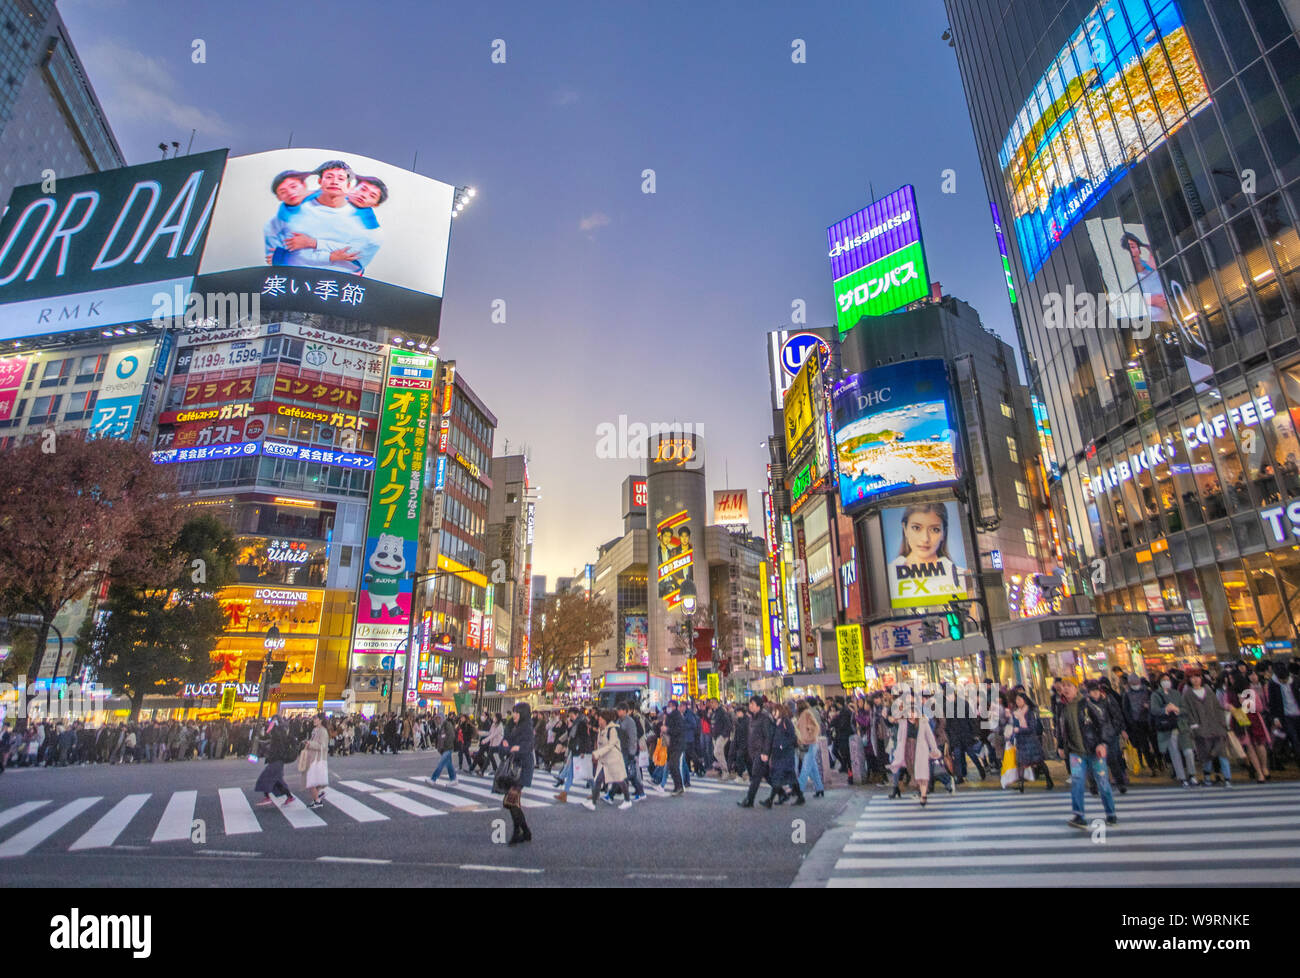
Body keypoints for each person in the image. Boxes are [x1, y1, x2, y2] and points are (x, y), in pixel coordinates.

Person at [1056, 680, 1117, 829]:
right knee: (1077, 782)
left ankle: (1111, 813)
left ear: (1076, 688)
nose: (1066, 689)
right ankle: (1078, 815)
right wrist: (1060, 745)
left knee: (1102, 782)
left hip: (1094, 750)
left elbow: (1103, 724)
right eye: (1063, 687)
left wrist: (1103, 743)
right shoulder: (1062, 707)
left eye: (1068, 685)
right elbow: (1060, 728)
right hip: (1076, 752)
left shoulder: (1087, 704)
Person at [1184, 669, 1232, 786]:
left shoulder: (1208, 691)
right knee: (1205, 754)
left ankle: (1227, 778)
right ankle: (1207, 777)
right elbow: (1187, 711)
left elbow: (1216, 707)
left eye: (1197, 676)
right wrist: (1194, 725)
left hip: (1216, 726)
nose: (1195, 679)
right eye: (1192, 677)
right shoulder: (1188, 694)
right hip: (1200, 728)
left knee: (1221, 752)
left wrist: (1222, 723)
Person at [889, 701, 941, 805]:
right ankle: (918, 788)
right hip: (908, 750)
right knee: (913, 771)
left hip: (921, 750)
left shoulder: (923, 722)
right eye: (910, 712)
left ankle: (923, 795)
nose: (912, 715)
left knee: (923, 773)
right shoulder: (903, 723)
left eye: (914, 712)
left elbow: (930, 737)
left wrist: (934, 749)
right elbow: (899, 738)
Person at [1151, 671, 1196, 786]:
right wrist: (1165, 709)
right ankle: (1182, 777)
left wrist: (1177, 709)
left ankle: (1192, 774)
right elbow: (1154, 710)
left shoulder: (1176, 693)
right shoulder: (1156, 695)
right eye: (1164, 680)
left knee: (1188, 751)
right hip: (1168, 727)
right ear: (1160, 683)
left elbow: (1185, 709)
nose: (1166, 682)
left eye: (1168, 680)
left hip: (1181, 726)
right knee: (1175, 754)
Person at [500, 703, 535, 844]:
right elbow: (505, 745)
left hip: (522, 768)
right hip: (514, 767)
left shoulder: (526, 728)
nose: (514, 715)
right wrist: (508, 747)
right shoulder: (511, 726)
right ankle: (524, 831)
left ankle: (520, 832)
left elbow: (526, 747)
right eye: (513, 712)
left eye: (516, 712)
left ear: (523, 714)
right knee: (514, 802)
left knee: (510, 800)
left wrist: (516, 748)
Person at [585, 711, 633, 811]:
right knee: (598, 780)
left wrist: (597, 753)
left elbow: (611, 745)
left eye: (600, 719)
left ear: (605, 720)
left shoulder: (612, 729)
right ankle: (593, 803)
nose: (599, 720)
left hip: (614, 759)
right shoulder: (601, 730)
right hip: (605, 760)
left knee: (620, 780)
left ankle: (627, 800)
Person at [1010, 690, 1053, 791]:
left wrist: (1019, 730)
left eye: (1019, 700)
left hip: (1031, 741)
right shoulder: (1015, 713)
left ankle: (1049, 780)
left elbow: (1032, 728)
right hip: (1021, 742)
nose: (1017, 702)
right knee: (1020, 763)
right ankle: (1021, 785)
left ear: (1025, 700)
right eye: (1016, 700)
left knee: (1039, 762)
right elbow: (1013, 726)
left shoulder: (1030, 713)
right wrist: (1012, 736)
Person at [765, 702, 804, 807]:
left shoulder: (786, 721)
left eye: (775, 711)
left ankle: (770, 800)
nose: (773, 713)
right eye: (772, 711)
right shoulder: (774, 723)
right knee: (791, 777)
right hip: (777, 754)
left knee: (778, 776)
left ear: (780, 711)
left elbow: (792, 737)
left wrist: (783, 745)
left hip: (786, 754)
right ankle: (800, 797)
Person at [739, 697, 774, 808]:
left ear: (759, 706)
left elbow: (768, 736)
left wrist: (765, 752)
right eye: (750, 704)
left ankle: (749, 800)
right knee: (767, 775)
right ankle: (782, 792)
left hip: (761, 752)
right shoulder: (752, 718)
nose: (750, 706)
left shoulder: (764, 718)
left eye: (752, 704)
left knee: (755, 776)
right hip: (754, 752)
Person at [254, 718, 297, 807]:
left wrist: (271, 727)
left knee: (265, 778)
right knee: (277, 780)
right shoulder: (280, 732)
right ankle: (289, 796)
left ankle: (268, 797)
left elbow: (271, 736)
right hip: (277, 759)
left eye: (272, 721)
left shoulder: (278, 732)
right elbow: (271, 740)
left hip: (276, 759)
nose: (270, 723)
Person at [795, 699, 825, 798]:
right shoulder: (803, 714)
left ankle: (799, 790)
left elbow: (816, 726)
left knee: (805, 768)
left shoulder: (806, 713)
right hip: (808, 743)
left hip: (810, 743)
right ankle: (819, 788)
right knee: (812, 769)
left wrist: (809, 736)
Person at [617, 704, 646, 801]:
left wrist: (632, 751)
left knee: (630, 773)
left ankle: (639, 791)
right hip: (622, 749)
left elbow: (634, 736)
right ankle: (618, 791)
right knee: (626, 772)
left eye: (620, 710)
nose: (619, 712)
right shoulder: (619, 721)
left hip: (629, 750)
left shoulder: (631, 721)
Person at [303, 713, 330, 809]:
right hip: (313, 758)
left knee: (311, 782)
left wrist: (310, 743)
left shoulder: (323, 731)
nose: (314, 720)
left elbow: (322, 746)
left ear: (321, 720)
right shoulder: (315, 730)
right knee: (315, 781)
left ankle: (317, 801)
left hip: (318, 759)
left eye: (316, 719)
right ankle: (317, 797)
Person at [663, 700, 686, 796]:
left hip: (678, 744)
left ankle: (679, 786)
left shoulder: (677, 716)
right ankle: (677, 786)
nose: (669, 707)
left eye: (671, 706)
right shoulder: (669, 716)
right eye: (668, 705)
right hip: (671, 744)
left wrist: (668, 729)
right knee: (671, 765)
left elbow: (679, 730)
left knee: (673, 764)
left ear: (675, 707)